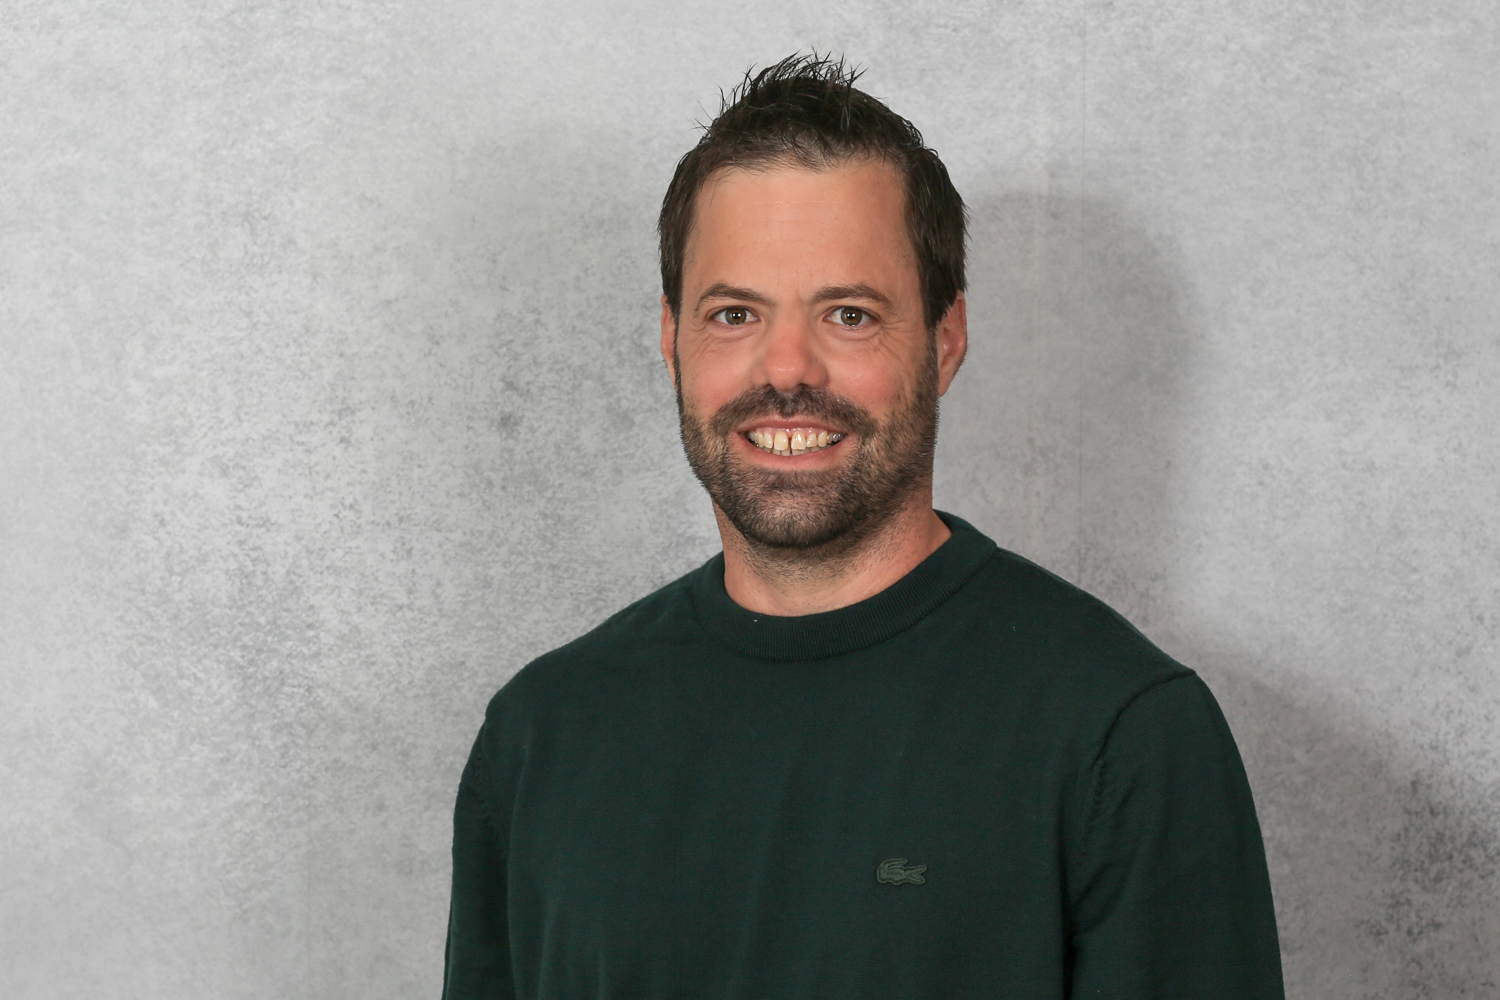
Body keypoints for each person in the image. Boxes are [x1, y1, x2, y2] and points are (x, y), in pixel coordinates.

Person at [442, 53, 1285, 999]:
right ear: (672, 339)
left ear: (945, 341)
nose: (786, 369)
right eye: (735, 313)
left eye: (848, 314)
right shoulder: (542, 734)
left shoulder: (1121, 733)